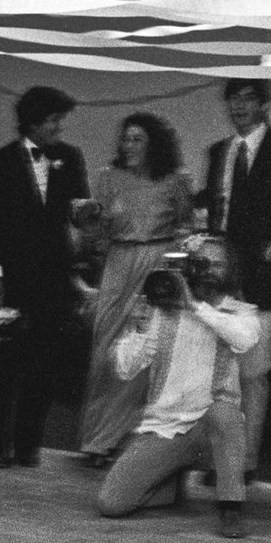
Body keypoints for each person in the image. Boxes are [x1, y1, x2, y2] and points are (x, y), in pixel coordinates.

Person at [94, 239, 259, 539]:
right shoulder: (163, 311)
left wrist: (194, 306)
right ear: (190, 267)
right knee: (111, 503)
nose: (208, 270)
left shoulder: (239, 311)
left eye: (217, 264)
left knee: (226, 415)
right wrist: (138, 327)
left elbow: (245, 340)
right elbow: (124, 368)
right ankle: (168, 482)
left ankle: (231, 506)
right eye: (202, 262)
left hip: (211, 428)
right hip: (167, 426)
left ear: (230, 271)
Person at [73, 113, 198, 465]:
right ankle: (97, 439)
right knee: (107, 351)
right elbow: (95, 233)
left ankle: (125, 441)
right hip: (118, 264)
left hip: (157, 266)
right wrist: (87, 221)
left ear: (154, 143)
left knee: (144, 350)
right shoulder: (107, 178)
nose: (128, 146)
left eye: (137, 139)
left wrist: (175, 267)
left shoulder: (176, 179)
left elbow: (186, 228)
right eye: (125, 139)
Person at [198, 78, 271, 481]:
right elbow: (214, 213)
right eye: (233, 99)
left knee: (254, 374)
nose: (239, 106)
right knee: (218, 373)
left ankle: (244, 462)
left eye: (248, 98)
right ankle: (216, 458)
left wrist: (257, 246)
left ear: (265, 104)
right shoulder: (219, 151)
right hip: (221, 275)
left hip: (263, 275)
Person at [0, 85, 90, 468]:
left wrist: (87, 216)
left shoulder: (71, 158)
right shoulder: (1, 160)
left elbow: (78, 210)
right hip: (13, 276)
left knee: (44, 365)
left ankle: (29, 446)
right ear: (34, 121)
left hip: (54, 277)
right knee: (5, 362)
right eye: (55, 120)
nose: (60, 127)